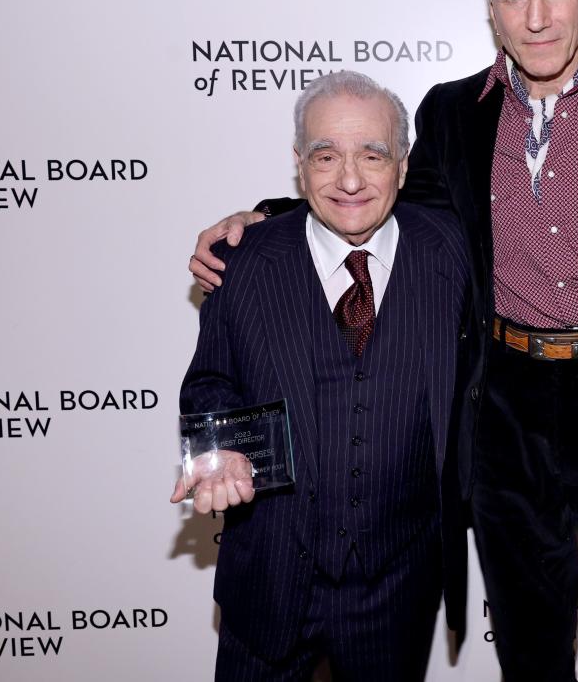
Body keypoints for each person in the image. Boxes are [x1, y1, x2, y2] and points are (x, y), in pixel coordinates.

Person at [191, 0, 578, 682]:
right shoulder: (450, 113)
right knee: (530, 655)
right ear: (490, 7)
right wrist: (268, 219)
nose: (538, 17)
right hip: (503, 414)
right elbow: (390, 209)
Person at [172, 70, 471, 681]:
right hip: (271, 575)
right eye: (326, 156)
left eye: (373, 154)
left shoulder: (455, 252)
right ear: (299, 166)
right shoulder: (244, 259)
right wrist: (219, 447)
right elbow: (209, 379)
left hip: (398, 586)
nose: (351, 179)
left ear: (405, 166)